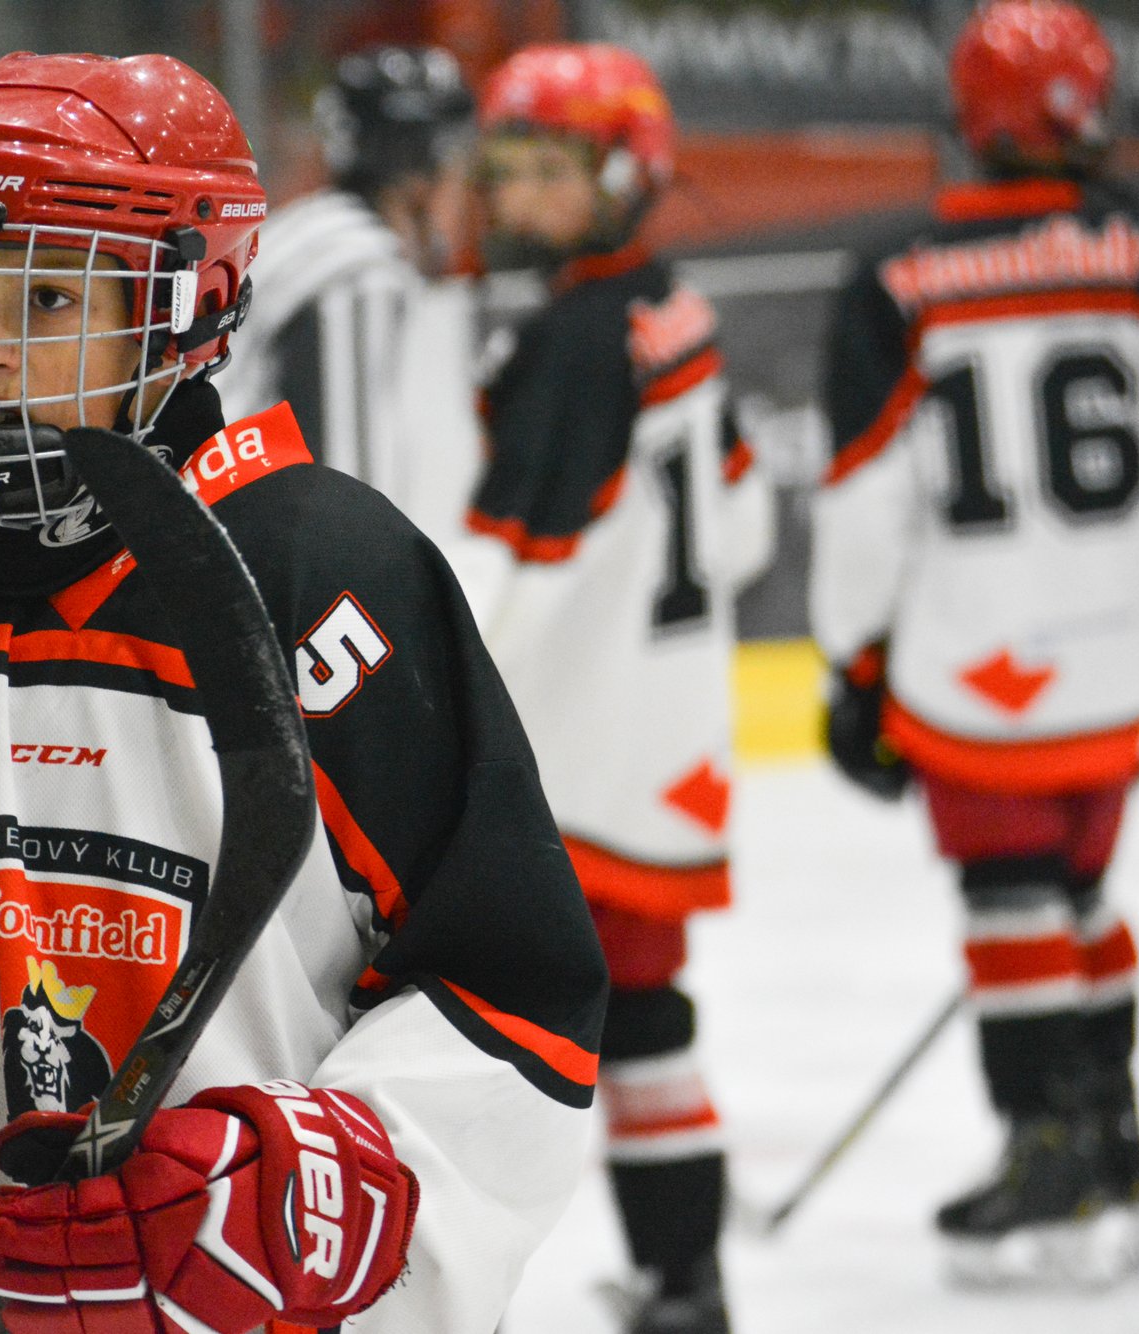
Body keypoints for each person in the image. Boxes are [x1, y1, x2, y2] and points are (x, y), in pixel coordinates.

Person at [0, 51, 610, 1334]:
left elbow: (512, 995)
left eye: (45, 297)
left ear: (185, 309)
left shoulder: (326, 585)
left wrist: (311, 1187)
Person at [811, 0, 1139, 1286]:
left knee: (1009, 897)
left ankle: (1045, 1144)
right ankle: (1110, 1133)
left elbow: (860, 498)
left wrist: (851, 662)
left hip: (981, 663)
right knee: (1077, 893)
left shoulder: (896, 277)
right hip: (1119, 651)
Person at [456, 43, 776, 1334]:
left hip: (566, 768)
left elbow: (503, 569)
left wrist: (421, 719)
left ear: (624, 174)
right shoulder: (672, 307)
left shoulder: (570, 342)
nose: (518, 193)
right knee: (646, 1013)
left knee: (472, 1028)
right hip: (666, 750)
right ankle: (684, 1277)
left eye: (550, 166)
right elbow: (743, 527)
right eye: (508, 166)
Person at [216, 44, 477, 542]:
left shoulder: (313, 231)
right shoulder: (359, 271)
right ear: (422, 178)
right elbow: (347, 501)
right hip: (231, 547)